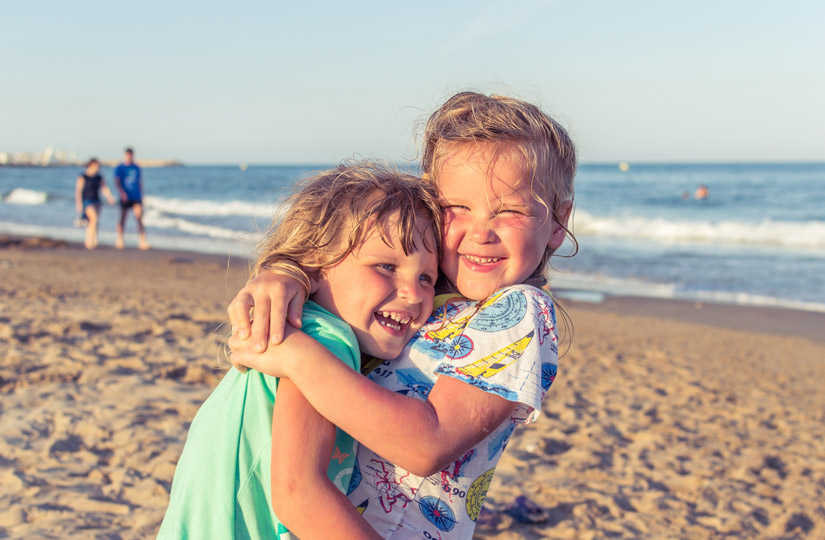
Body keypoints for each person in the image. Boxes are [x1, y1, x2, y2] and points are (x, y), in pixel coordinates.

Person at [227, 91, 577, 539]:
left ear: (557, 223)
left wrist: (298, 356)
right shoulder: (426, 299)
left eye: (509, 210)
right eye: (457, 208)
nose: (481, 232)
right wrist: (290, 274)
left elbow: (426, 444)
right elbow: (352, 261)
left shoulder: (520, 310)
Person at [157, 163, 441, 540]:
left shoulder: (309, 328)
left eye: (427, 278)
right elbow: (299, 494)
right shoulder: (323, 338)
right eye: (386, 266)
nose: (414, 293)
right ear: (316, 266)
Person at [74, 158, 115, 249]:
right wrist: (79, 203)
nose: (98, 167)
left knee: (94, 222)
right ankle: (89, 241)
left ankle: (94, 239)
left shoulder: (99, 177)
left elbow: (104, 188)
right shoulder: (83, 176)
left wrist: (110, 198)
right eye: (97, 165)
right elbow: (78, 191)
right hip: (87, 201)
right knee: (94, 219)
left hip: (97, 201)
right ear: (91, 165)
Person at [114, 147, 150, 249]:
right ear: (125, 155)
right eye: (127, 155)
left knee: (139, 217)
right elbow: (117, 182)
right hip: (125, 196)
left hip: (136, 196)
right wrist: (121, 193)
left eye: (131, 155)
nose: (129, 157)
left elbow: (140, 182)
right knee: (123, 218)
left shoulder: (137, 168)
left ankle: (143, 241)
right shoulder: (120, 168)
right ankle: (120, 240)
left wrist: (142, 196)